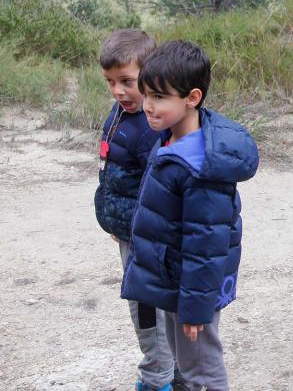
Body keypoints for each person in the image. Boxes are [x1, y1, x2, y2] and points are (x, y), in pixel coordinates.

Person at [121, 41, 260, 390]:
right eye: (146, 94)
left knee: (202, 368)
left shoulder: (201, 166)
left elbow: (206, 243)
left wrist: (197, 306)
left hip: (193, 288)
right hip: (175, 279)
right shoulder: (170, 138)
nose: (148, 106)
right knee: (185, 362)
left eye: (159, 97)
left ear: (192, 98)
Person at [94, 29, 180, 391]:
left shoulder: (150, 126)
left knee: (147, 307)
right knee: (148, 304)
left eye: (127, 82)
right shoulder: (120, 113)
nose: (118, 91)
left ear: (149, 75)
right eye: (111, 82)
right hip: (128, 230)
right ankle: (171, 371)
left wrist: (143, 226)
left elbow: (160, 186)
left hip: (146, 236)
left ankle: (159, 375)